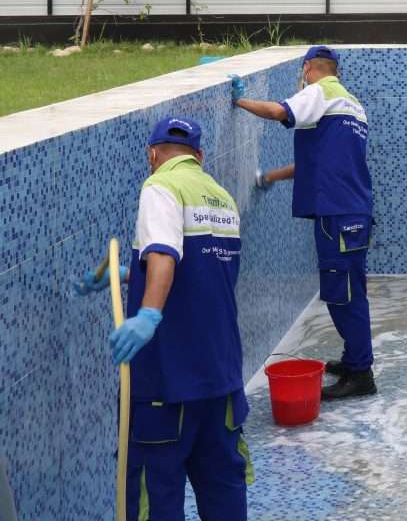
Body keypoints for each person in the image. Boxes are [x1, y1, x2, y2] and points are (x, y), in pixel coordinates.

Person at [73, 116, 252, 519]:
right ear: (199, 156)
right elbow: (201, 270)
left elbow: (165, 257)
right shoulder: (221, 197)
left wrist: (148, 315)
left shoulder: (160, 186)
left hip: (168, 384)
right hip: (221, 379)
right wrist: (129, 274)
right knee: (224, 493)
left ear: (152, 154)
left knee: (155, 501)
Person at [230, 45, 376, 400]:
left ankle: (361, 374)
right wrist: (270, 177)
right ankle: (353, 359)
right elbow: (319, 163)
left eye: (303, 72)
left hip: (338, 213)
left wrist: (240, 101)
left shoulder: (320, 91)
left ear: (308, 67)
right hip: (351, 211)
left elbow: (279, 111)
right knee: (349, 289)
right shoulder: (352, 105)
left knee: (344, 296)